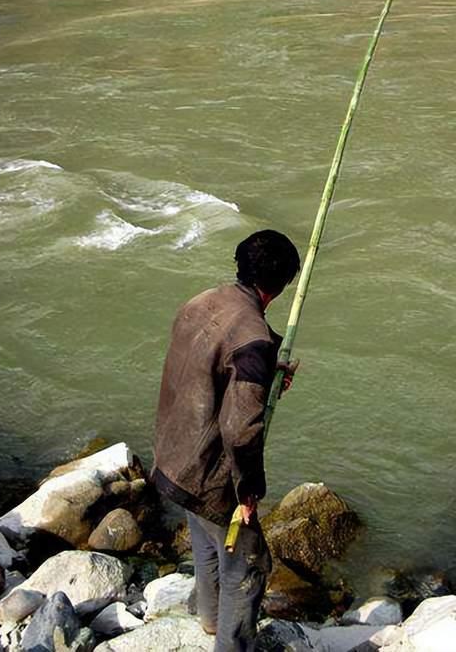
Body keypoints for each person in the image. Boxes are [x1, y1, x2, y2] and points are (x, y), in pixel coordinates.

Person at [151, 229, 301, 652]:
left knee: (205, 541)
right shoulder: (252, 338)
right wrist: (248, 490)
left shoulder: (201, 300)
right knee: (247, 564)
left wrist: (266, 371)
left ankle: (211, 619)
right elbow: (241, 429)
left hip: (172, 458)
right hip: (209, 473)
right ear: (282, 284)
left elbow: (209, 362)